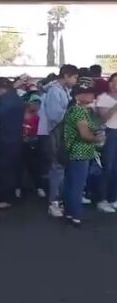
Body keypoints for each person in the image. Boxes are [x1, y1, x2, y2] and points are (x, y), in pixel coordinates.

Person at [37, 64, 79, 217]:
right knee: (57, 168)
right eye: (74, 77)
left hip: (61, 133)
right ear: (66, 76)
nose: (75, 81)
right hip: (55, 133)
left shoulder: (63, 90)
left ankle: (58, 200)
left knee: (59, 168)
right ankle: (53, 202)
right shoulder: (55, 91)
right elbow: (55, 116)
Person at [63, 78, 102, 226]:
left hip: (73, 151)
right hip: (80, 152)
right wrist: (97, 139)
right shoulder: (79, 111)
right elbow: (85, 134)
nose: (92, 96)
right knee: (77, 186)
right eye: (88, 93)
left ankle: (69, 213)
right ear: (78, 95)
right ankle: (76, 215)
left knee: (71, 183)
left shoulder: (76, 110)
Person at [0, 77, 25, 209]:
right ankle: (4, 195)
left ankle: (5, 198)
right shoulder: (15, 98)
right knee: (10, 168)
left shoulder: (6, 100)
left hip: (6, 138)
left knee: (4, 169)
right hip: (14, 137)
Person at [94, 73, 117, 212]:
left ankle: (113, 198)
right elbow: (103, 118)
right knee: (107, 167)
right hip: (109, 133)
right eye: (113, 81)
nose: (115, 84)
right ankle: (101, 199)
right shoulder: (103, 98)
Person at [20, 92, 46, 199]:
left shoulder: (38, 117)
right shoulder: (20, 115)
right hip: (21, 143)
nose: (36, 106)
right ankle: (19, 187)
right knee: (20, 166)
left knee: (34, 166)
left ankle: (38, 187)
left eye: (38, 104)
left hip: (33, 142)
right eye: (34, 103)